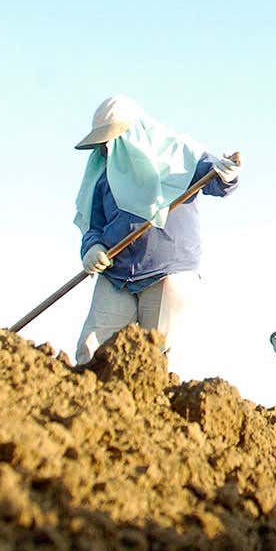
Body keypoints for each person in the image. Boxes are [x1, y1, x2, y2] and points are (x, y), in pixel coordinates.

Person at [73, 95, 240, 365]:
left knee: (156, 358)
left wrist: (225, 173)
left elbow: (215, 181)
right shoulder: (101, 175)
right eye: (102, 146)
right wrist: (92, 247)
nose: (105, 151)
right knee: (92, 354)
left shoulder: (178, 155)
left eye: (109, 143)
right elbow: (94, 224)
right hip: (116, 274)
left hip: (165, 271)